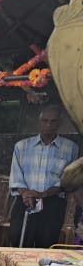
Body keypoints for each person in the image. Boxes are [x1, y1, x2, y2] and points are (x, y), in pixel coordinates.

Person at [9, 105, 79, 248]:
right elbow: (16, 176)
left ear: (59, 123)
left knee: (46, 246)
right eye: (45, 121)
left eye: (53, 121)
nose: (48, 125)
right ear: (39, 122)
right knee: (18, 244)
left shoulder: (70, 148)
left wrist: (43, 194)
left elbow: (67, 180)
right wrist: (27, 194)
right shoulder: (21, 146)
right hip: (25, 201)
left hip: (53, 204)